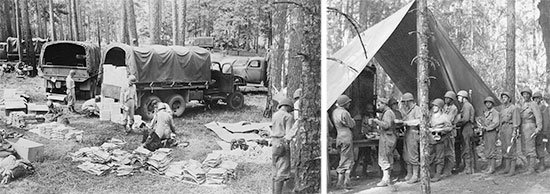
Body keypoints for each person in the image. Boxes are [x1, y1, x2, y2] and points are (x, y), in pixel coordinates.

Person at [368, 97, 396, 187]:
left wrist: (377, 121)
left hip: (387, 137)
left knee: (384, 157)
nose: (378, 106)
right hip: (389, 136)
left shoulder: (387, 113)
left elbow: (386, 125)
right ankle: (388, 177)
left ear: (384, 104)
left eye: (379, 104)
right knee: (389, 156)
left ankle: (386, 179)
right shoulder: (389, 112)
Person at [394, 92, 421, 184]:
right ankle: (409, 173)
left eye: (404, 102)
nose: (404, 104)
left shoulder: (417, 109)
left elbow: (418, 121)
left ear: (408, 101)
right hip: (407, 133)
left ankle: (415, 175)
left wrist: (405, 122)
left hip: (414, 133)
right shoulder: (408, 110)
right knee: (406, 154)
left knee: (413, 154)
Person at [271, 98, 295, 194]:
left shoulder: (275, 115)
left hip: (274, 142)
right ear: (288, 107)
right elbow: (288, 133)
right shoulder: (288, 116)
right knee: (282, 169)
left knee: (275, 168)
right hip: (282, 142)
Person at [332, 95, 355, 189]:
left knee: (342, 158)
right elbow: (351, 124)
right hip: (346, 136)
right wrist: (353, 121)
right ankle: (346, 182)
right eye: (348, 103)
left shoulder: (334, 112)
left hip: (339, 136)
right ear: (344, 104)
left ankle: (339, 182)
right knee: (349, 160)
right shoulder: (345, 113)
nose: (349, 104)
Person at [519, 88, 543, 175]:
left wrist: (538, 128)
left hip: (530, 126)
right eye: (524, 94)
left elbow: (538, 116)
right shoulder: (523, 105)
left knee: (531, 148)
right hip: (523, 127)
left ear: (530, 95)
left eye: (527, 94)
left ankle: (532, 168)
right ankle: (528, 166)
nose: (525, 96)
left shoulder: (533, 104)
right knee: (525, 147)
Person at [428, 98, 453, 182]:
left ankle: (438, 174)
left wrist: (440, 130)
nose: (434, 107)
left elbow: (449, 127)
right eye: (433, 105)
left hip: (441, 140)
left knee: (439, 157)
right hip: (431, 139)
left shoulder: (444, 117)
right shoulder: (430, 116)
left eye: (436, 106)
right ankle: (431, 173)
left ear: (440, 107)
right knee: (431, 156)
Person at [498, 92, 520, 176]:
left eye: (505, 97)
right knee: (504, 148)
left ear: (509, 98)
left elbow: (516, 121)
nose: (503, 98)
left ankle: (512, 169)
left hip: (510, 128)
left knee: (511, 148)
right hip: (503, 128)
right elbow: (501, 120)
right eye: (502, 97)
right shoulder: (502, 109)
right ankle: (507, 168)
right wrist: (500, 130)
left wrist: (515, 131)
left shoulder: (513, 108)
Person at [455, 90, 475, 174]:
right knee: (466, 147)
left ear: (464, 97)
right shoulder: (466, 105)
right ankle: (468, 168)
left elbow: (466, 119)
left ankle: (468, 169)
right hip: (466, 128)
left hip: (467, 128)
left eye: (459, 97)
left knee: (466, 148)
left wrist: (457, 122)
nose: (458, 99)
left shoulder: (466, 106)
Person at [480, 96, 500, 174]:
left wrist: (487, 128)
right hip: (486, 133)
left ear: (492, 104)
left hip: (492, 132)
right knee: (487, 149)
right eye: (486, 103)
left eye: (489, 103)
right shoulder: (486, 113)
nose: (488, 104)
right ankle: (489, 166)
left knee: (492, 149)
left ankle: (492, 167)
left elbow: (496, 123)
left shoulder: (495, 112)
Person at [442, 91, 458, 177]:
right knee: (444, 151)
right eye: (445, 98)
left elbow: (449, 119)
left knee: (450, 151)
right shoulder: (445, 107)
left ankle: (449, 170)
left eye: (448, 98)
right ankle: (445, 169)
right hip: (444, 131)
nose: (446, 100)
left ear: (452, 100)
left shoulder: (454, 108)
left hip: (450, 132)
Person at [532, 92, 548, 172]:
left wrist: (544, 131)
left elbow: (545, 120)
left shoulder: (543, 107)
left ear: (540, 99)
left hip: (541, 132)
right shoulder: (534, 107)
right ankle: (539, 163)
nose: (536, 100)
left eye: (538, 98)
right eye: (535, 98)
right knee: (535, 147)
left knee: (540, 146)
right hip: (535, 131)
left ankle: (542, 165)